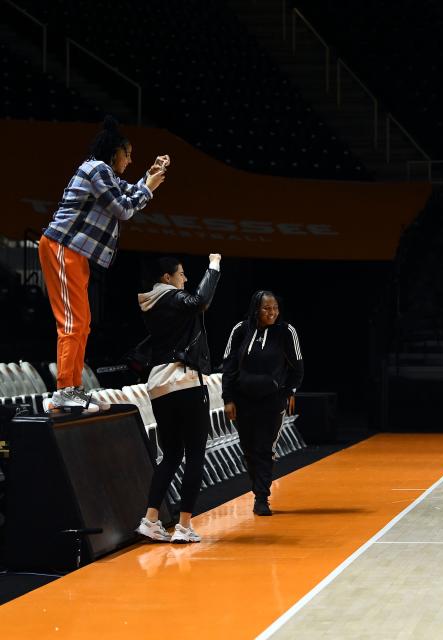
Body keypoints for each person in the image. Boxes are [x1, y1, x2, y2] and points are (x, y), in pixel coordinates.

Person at [40, 115, 169, 414]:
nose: (131, 159)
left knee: (82, 323)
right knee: (72, 323)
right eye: (128, 154)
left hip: (76, 253)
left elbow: (127, 193)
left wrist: (149, 180)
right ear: (115, 153)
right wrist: (148, 186)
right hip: (62, 247)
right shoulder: (96, 168)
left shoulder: (104, 174)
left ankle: (73, 389)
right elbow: (123, 209)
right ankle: (63, 391)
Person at [135, 254, 221, 543]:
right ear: (166, 278)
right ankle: (184, 526)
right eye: (181, 274)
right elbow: (200, 302)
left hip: (159, 385)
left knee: (171, 455)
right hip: (184, 382)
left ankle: (150, 520)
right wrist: (214, 267)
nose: (185, 279)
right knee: (195, 454)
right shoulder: (172, 298)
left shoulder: (150, 303)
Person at [222, 290, 304, 516]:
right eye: (267, 308)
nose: (272, 312)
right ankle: (257, 488)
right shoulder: (240, 330)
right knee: (249, 449)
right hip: (242, 399)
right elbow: (228, 365)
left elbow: (298, 368)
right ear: (256, 309)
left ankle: (261, 497)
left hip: (272, 400)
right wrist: (227, 398)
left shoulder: (287, 331)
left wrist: (288, 392)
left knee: (265, 449)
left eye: (275, 308)